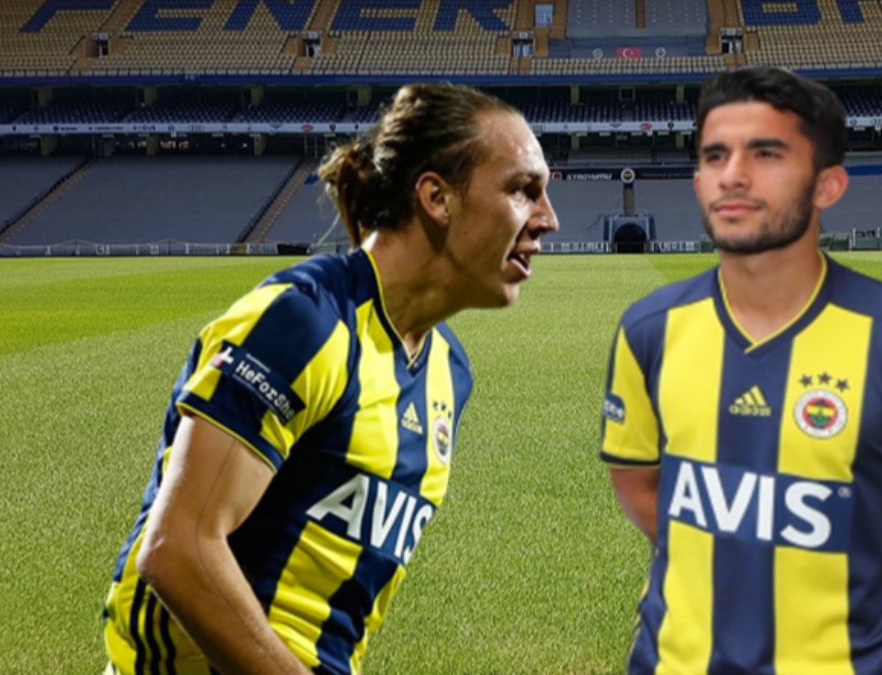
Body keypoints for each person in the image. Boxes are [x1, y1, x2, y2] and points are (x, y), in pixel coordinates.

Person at [102, 82, 558, 675]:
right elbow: (179, 549)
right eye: (523, 190)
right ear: (437, 197)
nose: (548, 219)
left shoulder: (450, 374)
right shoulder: (303, 322)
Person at [599, 66, 882, 674]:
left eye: (766, 154)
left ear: (827, 185)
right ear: (698, 180)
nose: (733, 175)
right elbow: (637, 483)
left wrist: (846, 618)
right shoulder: (648, 329)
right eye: (715, 156)